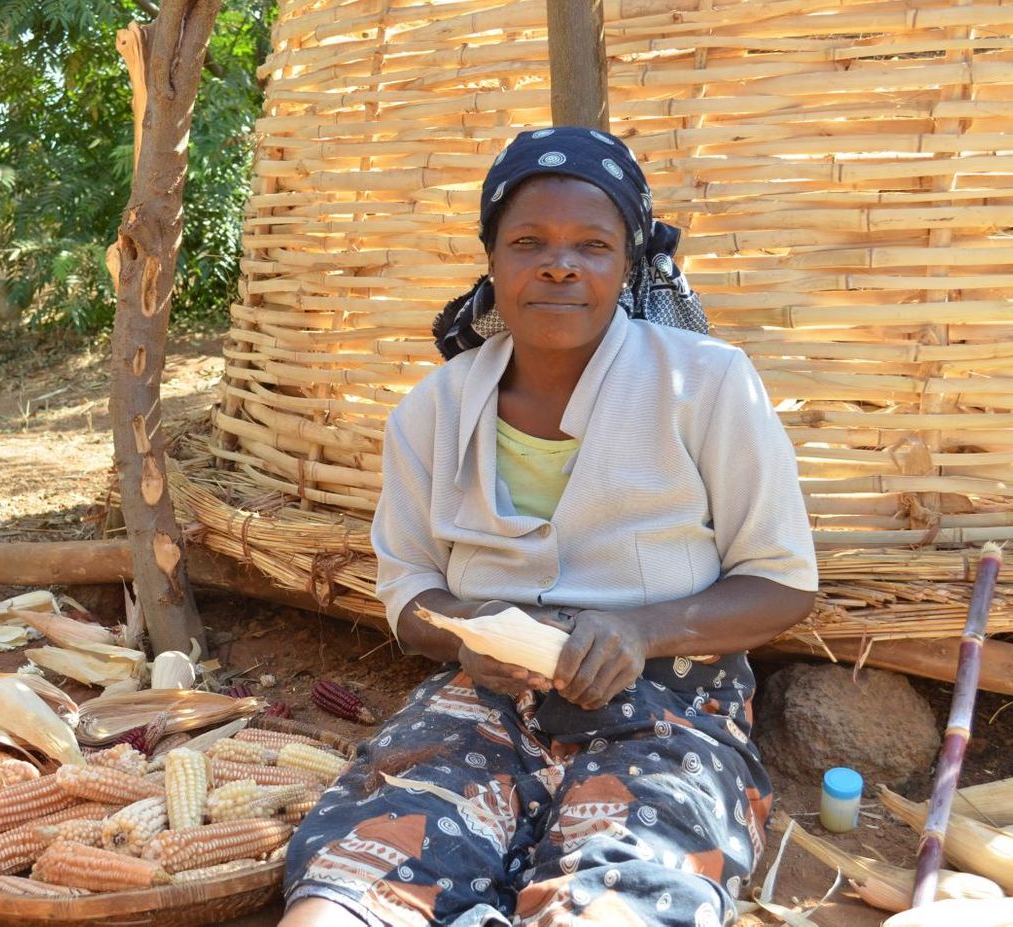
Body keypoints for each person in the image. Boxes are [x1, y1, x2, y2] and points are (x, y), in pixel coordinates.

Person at [278, 127, 819, 927]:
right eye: (528, 241)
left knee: (623, 902)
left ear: (627, 265)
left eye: (592, 245)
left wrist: (637, 630)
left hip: (672, 701)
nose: (559, 264)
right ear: (492, 262)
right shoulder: (432, 411)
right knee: (346, 897)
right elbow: (409, 589)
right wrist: (471, 633)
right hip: (481, 699)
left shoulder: (707, 385)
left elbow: (783, 582)